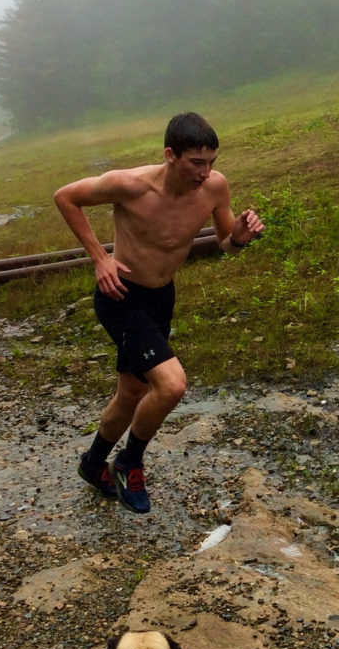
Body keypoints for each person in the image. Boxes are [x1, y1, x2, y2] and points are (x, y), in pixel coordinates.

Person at [54, 111, 264, 514]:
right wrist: (100, 257)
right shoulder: (129, 185)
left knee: (132, 392)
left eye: (211, 162)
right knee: (170, 385)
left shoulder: (214, 188)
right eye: (196, 163)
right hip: (120, 296)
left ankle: (92, 463)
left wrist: (239, 237)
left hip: (160, 299)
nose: (206, 172)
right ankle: (129, 463)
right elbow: (66, 196)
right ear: (171, 155)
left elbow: (225, 243)